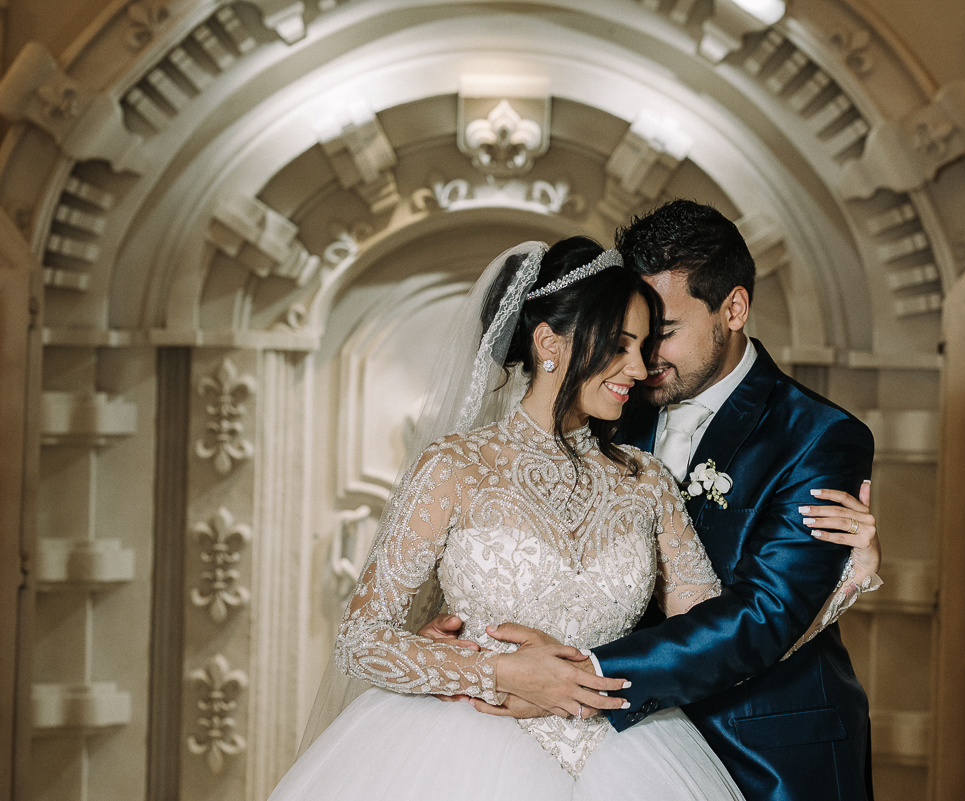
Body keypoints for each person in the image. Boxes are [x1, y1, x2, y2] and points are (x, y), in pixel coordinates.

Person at [273, 235, 874, 801]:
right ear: (549, 342)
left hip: (625, 753)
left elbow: (716, 636)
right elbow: (359, 640)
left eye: (645, 345)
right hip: (464, 749)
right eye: (620, 345)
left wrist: (843, 580)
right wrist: (492, 671)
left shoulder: (645, 480)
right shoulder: (453, 467)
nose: (639, 368)